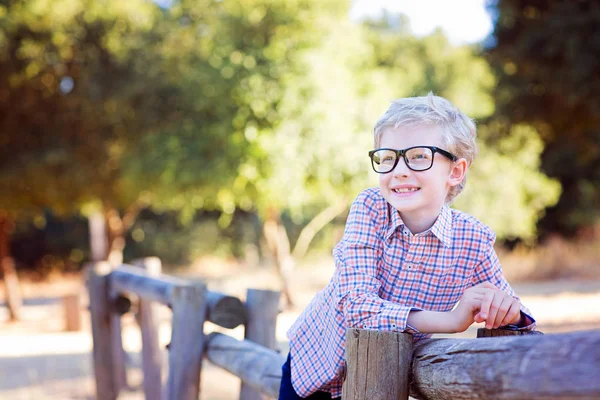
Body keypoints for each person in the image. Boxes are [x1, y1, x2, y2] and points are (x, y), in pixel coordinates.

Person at [278, 93, 536, 400]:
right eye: (388, 157)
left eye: (418, 156)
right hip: (313, 371)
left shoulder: (472, 239)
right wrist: (451, 320)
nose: (399, 170)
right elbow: (357, 307)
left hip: (380, 383)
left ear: (455, 171)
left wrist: (507, 310)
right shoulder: (371, 207)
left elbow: (520, 315)